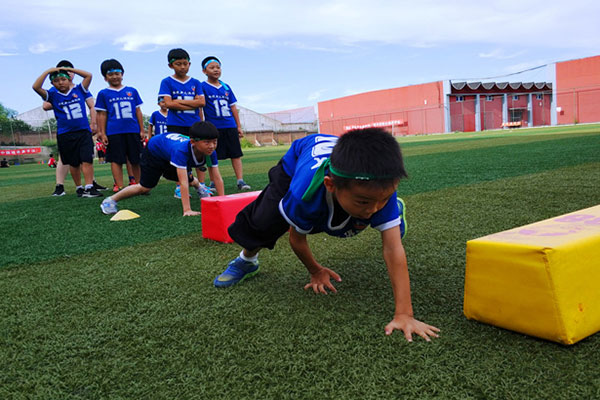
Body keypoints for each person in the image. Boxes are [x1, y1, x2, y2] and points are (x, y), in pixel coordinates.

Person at [213, 128, 440, 342]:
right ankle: (247, 260)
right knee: (265, 221)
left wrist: (405, 314)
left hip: (350, 174)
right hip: (296, 163)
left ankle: (393, 214)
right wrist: (315, 270)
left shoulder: (378, 185)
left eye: (384, 199)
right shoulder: (303, 194)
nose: (374, 207)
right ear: (330, 185)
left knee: (381, 220)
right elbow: (297, 238)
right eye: (364, 201)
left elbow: (392, 248)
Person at [100, 121, 224, 216]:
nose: (212, 146)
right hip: (155, 151)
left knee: (190, 178)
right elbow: (182, 182)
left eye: (215, 142)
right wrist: (187, 210)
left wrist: (223, 201)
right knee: (145, 187)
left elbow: (217, 176)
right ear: (193, 142)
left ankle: (199, 188)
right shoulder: (181, 151)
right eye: (207, 142)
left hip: (168, 150)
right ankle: (110, 201)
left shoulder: (211, 152)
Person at [158, 48, 224, 199]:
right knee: (179, 156)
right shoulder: (167, 82)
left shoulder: (195, 82)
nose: (182, 67)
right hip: (175, 124)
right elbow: (168, 103)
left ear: (189, 64)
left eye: (185, 63)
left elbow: (201, 102)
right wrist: (190, 103)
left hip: (194, 124)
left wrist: (178, 102)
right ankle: (179, 187)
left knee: (201, 153)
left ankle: (201, 185)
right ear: (171, 65)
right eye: (178, 64)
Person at [32, 66, 103, 197]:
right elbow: (36, 87)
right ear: (52, 83)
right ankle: (79, 187)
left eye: (63, 79)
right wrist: (48, 71)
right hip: (65, 133)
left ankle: (89, 187)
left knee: (87, 159)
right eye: (57, 80)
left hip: (83, 131)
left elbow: (89, 75)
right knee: (73, 162)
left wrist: (69, 69)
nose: (61, 82)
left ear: (69, 79)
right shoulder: (52, 95)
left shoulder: (79, 90)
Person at [201, 56, 251, 191]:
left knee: (235, 154)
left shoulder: (225, 86)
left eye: (218, 67)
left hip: (229, 125)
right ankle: (212, 182)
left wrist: (238, 126)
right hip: (213, 127)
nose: (216, 70)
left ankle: (240, 180)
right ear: (204, 71)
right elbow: (200, 107)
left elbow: (233, 107)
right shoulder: (203, 86)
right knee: (211, 155)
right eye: (212, 68)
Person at [95, 59, 145, 193]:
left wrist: (142, 129)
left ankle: (139, 184)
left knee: (135, 159)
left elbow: (138, 111)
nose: (115, 76)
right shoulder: (103, 93)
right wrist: (102, 132)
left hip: (132, 130)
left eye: (117, 73)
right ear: (105, 78)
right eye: (110, 74)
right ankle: (119, 185)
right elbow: (102, 115)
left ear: (122, 74)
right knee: (116, 160)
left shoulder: (132, 91)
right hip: (114, 131)